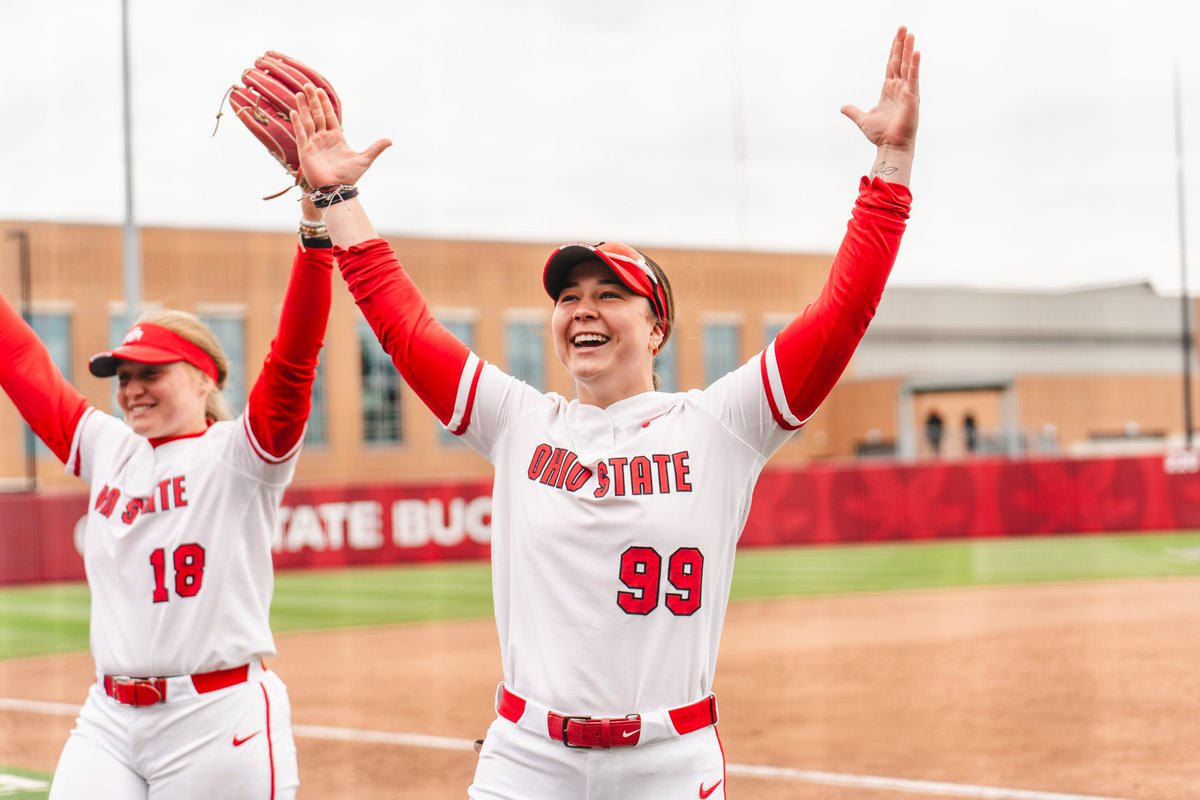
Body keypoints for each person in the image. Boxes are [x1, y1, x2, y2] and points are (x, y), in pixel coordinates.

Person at [292, 24, 918, 800]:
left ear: (655, 326)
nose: (582, 310)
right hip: (528, 758)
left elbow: (842, 312)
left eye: (608, 294)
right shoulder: (520, 422)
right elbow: (404, 328)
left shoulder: (721, 425)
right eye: (567, 297)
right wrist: (338, 198)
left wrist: (890, 166)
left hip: (668, 758)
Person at [0, 197, 334, 799]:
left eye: (151, 372)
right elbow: (22, 359)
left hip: (215, 719)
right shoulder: (109, 449)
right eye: (123, 376)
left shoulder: (241, 455)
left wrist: (314, 234)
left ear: (205, 377)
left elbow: (293, 361)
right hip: (109, 716)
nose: (131, 389)